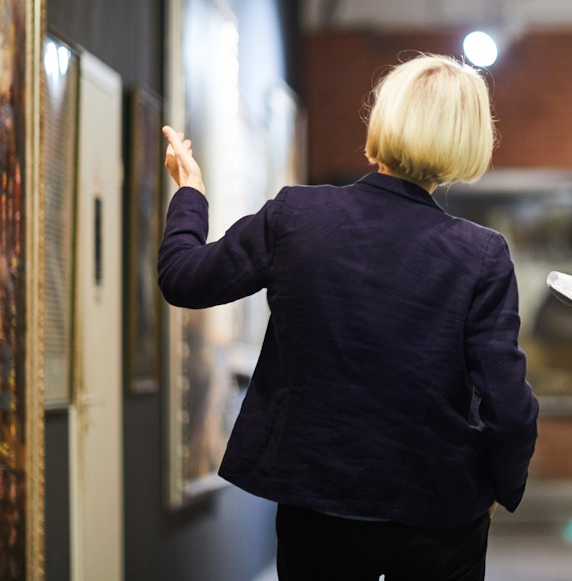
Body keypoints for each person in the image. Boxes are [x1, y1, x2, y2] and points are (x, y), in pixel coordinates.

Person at [158, 53, 539, 581]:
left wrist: (190, 196)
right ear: (468, 140)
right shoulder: (480, 254)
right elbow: (509, 405)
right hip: (438, 511)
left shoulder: (297, 217)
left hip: (317, 504)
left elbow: (182, 277)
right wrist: (500, 484)